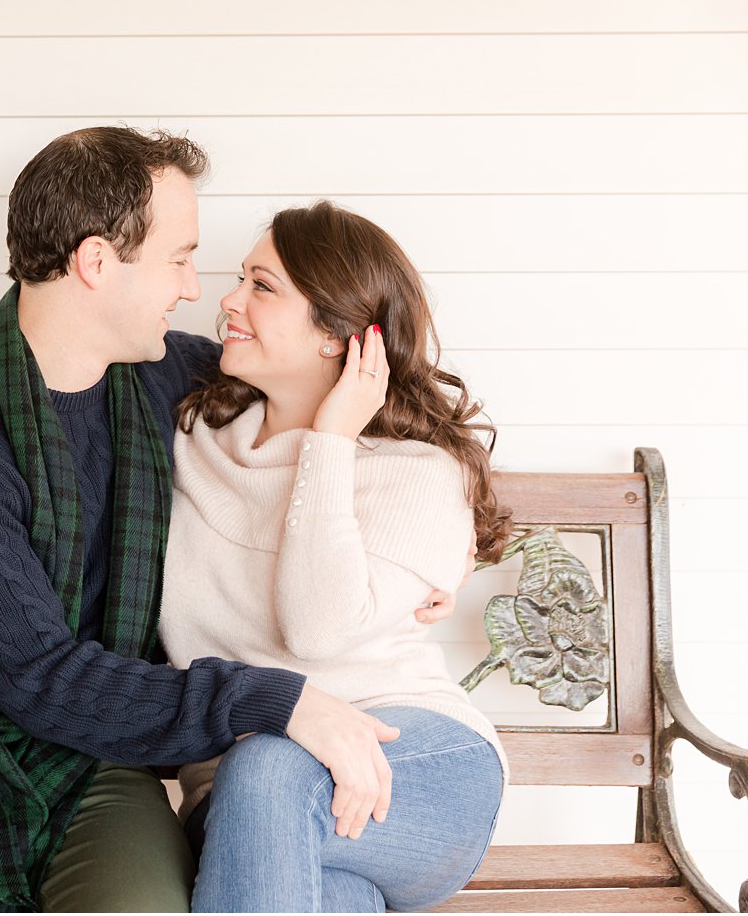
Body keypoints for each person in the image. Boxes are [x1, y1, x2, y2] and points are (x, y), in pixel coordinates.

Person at [0, 128, 458, 913]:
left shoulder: (173, 378)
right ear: (96, 262)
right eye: (178, 257)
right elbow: (39, 675)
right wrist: (272, 699)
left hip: (104, 768)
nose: (195, 288)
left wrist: (453, 537)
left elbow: (346, 387)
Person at [161, 201, 511, 912]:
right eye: (241, 279)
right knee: (330, 892)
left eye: (262, 286)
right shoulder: (195, 436)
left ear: (337, 335)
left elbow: (317, 628)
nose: (226, 300)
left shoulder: (416, 470)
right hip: (236, 792)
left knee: (269, 770)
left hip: (414, 759)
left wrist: (331, 441)